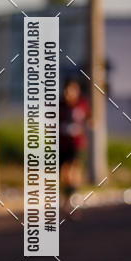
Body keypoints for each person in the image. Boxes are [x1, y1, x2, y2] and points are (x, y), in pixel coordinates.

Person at [59, 77, 90, 207]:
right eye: (67, 91)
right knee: (64, 173)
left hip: (76, 143)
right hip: (62, 143)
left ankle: (73, 198)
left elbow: (89, 118)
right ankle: (68, 195)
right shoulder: (60, 106)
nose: (69, 93)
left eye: (72, 90)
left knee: (74, 170)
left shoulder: (82, 104)